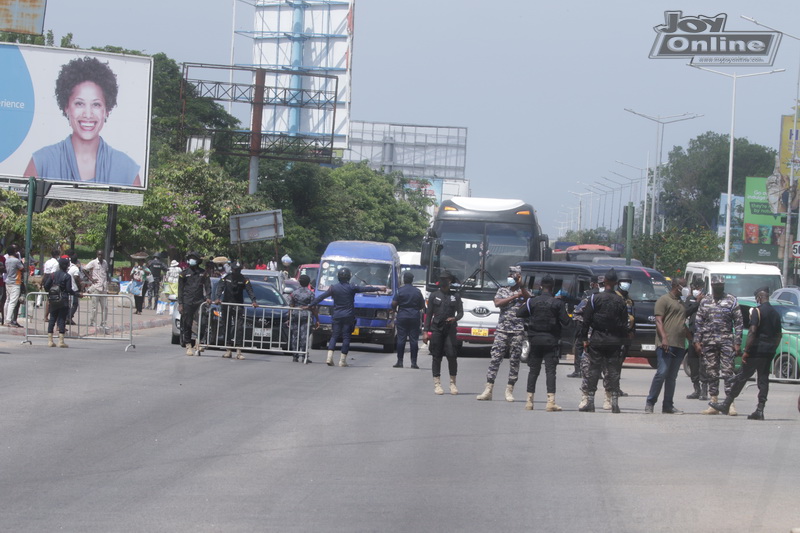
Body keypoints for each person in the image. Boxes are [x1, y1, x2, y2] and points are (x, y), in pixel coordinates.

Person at [24, 56, 141, 187]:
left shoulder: (127, 169)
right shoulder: (41, 161)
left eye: (96, 105)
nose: (88, 114)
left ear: (106, 110)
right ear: (66, 107)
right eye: (79, 103)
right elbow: (22, 204)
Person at [709, 287, 782, 420]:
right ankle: (760, 409)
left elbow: (752, 331)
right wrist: (772, 348)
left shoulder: (757, 311)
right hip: (768, 352)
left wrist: (747, 351)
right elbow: (779, 335)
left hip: (756, 351)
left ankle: (726, 404)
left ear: (759, 298)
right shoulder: (775, 313)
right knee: (763, 380)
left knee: (742, 377)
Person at [308, 267, 386, 367]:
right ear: (349, 277)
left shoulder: (333, 288)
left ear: (338, 277)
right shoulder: (351, 287)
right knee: (346, 337)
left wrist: (311, 305)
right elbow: (366, 289)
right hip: (348, 316)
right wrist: (380, 288)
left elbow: (321, 297)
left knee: (334, 336)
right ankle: (342, 361)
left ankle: (329, 358)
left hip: (336, 315)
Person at [577, 269, 630, 413]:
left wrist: (583, 339)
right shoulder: (621, 301)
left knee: (594, 369)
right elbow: (624, 324)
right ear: (615, 283)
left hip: (598, 339)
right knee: (613, 371)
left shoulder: (595, 299)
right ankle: (614, 402)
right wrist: (623, 343)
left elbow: (586, 320)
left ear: (605, 281)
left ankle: (591, 402)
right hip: (614, 340)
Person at [516, 274, 570, 411]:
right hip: (551, 340)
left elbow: (519, 313)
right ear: (552, 287)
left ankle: (529, 401)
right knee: (550, 371)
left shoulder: (532, 302)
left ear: (540, 286)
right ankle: (550, 402)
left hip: (535, 340)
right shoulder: (557, 303)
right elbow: (566, 322)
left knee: (533, 371)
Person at [476, 266, 530, 401]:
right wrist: (514, 296)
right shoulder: (502, 290)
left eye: (514, 276)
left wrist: (521, 288)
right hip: (502, 330)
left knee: (514, 361)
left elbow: (529, 301)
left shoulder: (524, 291)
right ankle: (488, 389)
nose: (511, 278)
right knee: (495, 359)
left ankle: (509, 390)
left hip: (517, 331)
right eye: (510, 275)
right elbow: (497, 303)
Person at [694, 274, 743, 415]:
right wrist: (697, 340)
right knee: (711, 372)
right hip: (709, 342)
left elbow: (739, 323)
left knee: (728, 372)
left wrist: (737, 342)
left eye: (720, 286)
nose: (718, 288)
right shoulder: (705, 301)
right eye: (716, 286)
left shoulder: (731, 300)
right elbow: (699, 322)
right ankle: (714, 403)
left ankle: (730, 403)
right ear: (712, 286)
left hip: (726, 341)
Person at [645, 278, 690, 414]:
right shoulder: (663, 300)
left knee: (672, 377)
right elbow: (659, 321)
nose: (686, 288)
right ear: (677, 286)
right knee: (662, 373)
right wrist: (664, 338)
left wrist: (692, 339)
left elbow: (682, 324)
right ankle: (650, 402)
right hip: (666, 344)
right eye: (684, 285)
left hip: (679, 344)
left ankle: (668, 405)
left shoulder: (681, 302)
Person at [423, 270, 464, 395]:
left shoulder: (455, 296)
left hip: (450, 329)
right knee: (437, 356)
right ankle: (437, 384)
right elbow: (428, 314)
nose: (442, 281)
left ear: (450, 281)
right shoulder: (434, 295)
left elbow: (461, 312)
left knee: (452, 355)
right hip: (437, 329)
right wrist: (425, 331)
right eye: (441, 279)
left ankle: (453, 383)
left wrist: (455, 318)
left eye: (445, 279)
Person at [212, 260, 257, 360]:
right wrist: (218, 298)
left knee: (238, 328)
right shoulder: (226, 278)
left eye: (238, 270)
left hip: (238, 306)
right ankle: (228, 350)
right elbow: (220, 287)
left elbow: (250, 290)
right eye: (235, 269)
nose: (236, 271)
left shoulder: (244, 279)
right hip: (226, 305)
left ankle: (239, 351)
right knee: (226, 327)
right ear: (232, 269)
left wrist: (253, 300)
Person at [178, 251, 212, 356]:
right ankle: (188, 344)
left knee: (202, 322)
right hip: (187, 301)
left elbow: (207, 286)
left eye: (194, 258)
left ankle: (200, 342)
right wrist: (180, 303)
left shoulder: (203, 273)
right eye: (190, 258)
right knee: (187, 323)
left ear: (198, 261)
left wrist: (208, 297)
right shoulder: (183, 273)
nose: (191, 260)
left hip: (199, 301)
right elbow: (180, 289)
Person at [391, 271, 426, 369]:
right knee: (413, 340)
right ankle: (414, 363)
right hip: (414, 317)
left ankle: (400, 361)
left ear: (404, 279)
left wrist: (395, 311)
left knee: (401, 339)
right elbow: (422, 305)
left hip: (402, 316)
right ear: (412, 280)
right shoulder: (417, 291)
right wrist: (414, 309)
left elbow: (394, 303)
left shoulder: (399, 291)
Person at [568, 275, 599, 378]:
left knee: (581, 347)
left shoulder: (590, 296)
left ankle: (581, 371)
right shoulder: (595, 297)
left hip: (592, 330)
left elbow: (577, 312)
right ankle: (584, 371)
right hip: (595, 330)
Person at [43, 257, 78, 348]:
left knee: (52, 318)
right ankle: (61, 341)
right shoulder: (67, 276)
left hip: (53, 299)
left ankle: (50, 341)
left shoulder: (53, 275)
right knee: (61, 319)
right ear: (67, 266)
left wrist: (51, 293)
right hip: (63, 300)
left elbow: (46, 285)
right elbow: (68, 289)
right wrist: (76, 294)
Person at [683, 279, 707, 400]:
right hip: (692, 336)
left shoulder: (708, 300)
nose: (697, 290)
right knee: (693, 364)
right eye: (695, 287)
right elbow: (685, 312)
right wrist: (696, 302)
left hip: (705, 337)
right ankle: (696, 389)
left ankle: (704, 390)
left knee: (704, 364)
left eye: (699, 287)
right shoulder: (690, 300)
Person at [288, 274, 317, 363]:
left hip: (295, 314)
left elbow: (291, 306)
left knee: (295, 335)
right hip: (306, 315)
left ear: (299, 282)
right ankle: (304, 355)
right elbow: (313, 307)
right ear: (308, 283)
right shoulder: (311, 293)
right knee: (304, 335)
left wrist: (289, 318)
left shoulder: (294, 293)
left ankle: (295, 356)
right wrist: (317, 319)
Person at [83, 250, 109, 329]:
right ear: (97, 255)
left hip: (103, 287)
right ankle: (93, 322)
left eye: (101, 255)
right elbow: (84, 269)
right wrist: (91, 279)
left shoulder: (105, 263)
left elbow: (105, 272)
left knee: (105, 307)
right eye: (99, 255)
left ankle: (103, 323)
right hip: (96, 287)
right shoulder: (93, 262)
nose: (100, 256)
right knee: (94, 307)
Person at [3, 245, 24, 328]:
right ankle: (8, 320)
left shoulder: (7, 260)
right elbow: (23, 269)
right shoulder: (16, 261)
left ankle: (5, 319)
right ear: (14, 252)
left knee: (7, 301)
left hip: (8, 282)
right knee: (13, 302)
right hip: (15, 282)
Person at [67, 253, 81, 325]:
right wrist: (79, 286)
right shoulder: (75, 268)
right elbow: (76, 278)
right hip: (74, 288)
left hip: (68, 287)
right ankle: (69, 317)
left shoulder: (68, 266)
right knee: (75, 304)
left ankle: (69, 317)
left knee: (69, 304)